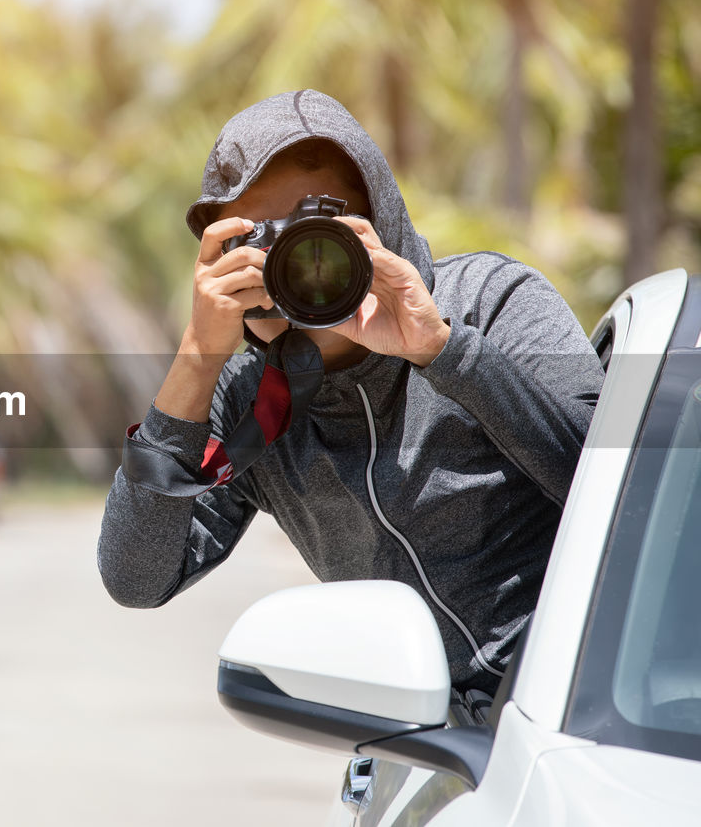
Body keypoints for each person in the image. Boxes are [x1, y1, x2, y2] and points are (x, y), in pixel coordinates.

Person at [97, 90, 605, 694]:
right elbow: (135, 577)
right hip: (425, 747)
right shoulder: (251, 406)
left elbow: (619, 497)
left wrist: (444, 350)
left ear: (378, 221)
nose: (299, 263)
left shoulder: (490, 303)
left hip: (579, 711)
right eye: (263, 242)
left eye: (317, 231)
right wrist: (197, 357)